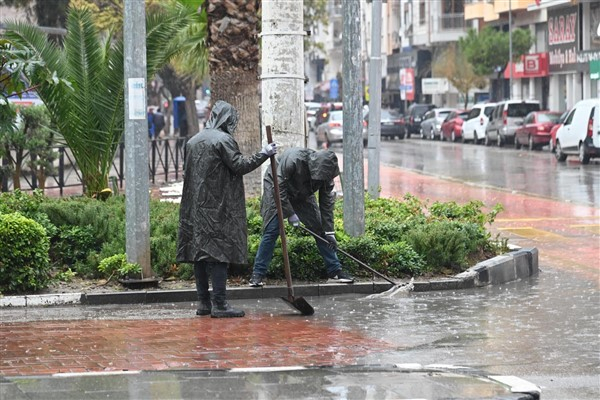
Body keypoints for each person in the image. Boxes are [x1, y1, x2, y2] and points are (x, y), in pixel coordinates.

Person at [177, 100, 277, 318]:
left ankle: (204, 304)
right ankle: (220, 305)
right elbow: (240, 166)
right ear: (227, 119)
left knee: (200, 255)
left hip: (195, 207)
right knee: (219, 252)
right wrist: (264, 153)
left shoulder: (194, 141)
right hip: (218, 206)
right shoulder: (223, 140)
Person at [249, 148, 354, 287]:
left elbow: (326, 205)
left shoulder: (327, 176)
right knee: (272, 229)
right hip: (277, 187)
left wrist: (330, 232)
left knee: (319, 230)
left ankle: (335, 270)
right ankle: (258, 273)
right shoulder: (294, 159)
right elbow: (278, 187)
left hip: (303, 193)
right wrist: (290, 213)